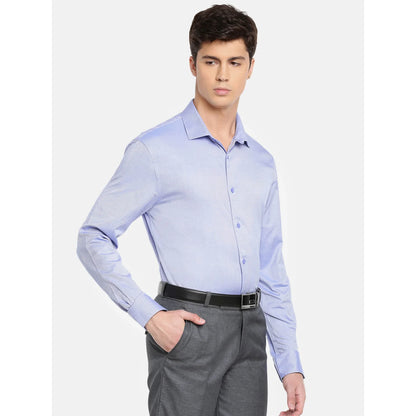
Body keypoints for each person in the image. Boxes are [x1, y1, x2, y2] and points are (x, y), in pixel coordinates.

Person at [76, 4, 306, 416]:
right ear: (192, 64)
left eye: (235, 62)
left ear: (251, 68)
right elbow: (93, 237)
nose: (222, 75)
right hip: (188, 329)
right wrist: (150, 316)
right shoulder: (155, 150)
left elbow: (271, 266)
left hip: (251, 334)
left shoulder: (262, 162)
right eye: (211, 61)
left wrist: (289, 363)